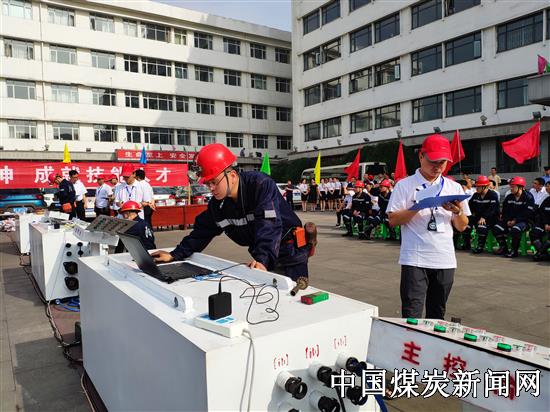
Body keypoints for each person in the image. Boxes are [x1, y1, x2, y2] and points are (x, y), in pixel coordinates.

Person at [151, 143, 316, 281]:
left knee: (292, 302)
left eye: (214, 182)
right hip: (263, 258)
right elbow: (201, 233)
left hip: (290, 254)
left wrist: (262, 260)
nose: (211, 188)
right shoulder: (218, 205)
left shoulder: (259, 185)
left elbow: (269, 225)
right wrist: (174, 255)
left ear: (232, 175)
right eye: (207, 184)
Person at [387, 134, 470, 320]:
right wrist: (418, 206)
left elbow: (462, 226)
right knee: (412, 315)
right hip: (415, 259)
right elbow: (393, 220)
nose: (438, 166)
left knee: (437, 314)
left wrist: (457, 211)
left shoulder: (454, 187)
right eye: (433, 161)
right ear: (421, 156)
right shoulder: (404, 185)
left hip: (444, 259)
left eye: (443, 162)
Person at [492, 176, 535, 258]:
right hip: (510, 220)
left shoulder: (529, 197)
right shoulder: (509, 197)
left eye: (513, 187)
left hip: (524, 221)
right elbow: (505, 211)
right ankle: (503, 247)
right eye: (510, 186)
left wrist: (515, 220)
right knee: (496, 228)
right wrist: (507, 220)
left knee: (516, 229)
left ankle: (514, 251)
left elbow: (528, 213)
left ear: (520, 187)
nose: (511, 188)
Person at [465, 176, 500, 254]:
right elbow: (470, 207)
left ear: (485, 187)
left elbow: (492, 209)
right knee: (466, 225)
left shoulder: (493, 195)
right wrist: (467, 217)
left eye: (478, 187)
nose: (476, 188)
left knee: (482, 227)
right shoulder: (475, 195)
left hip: (491, 219)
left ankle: (480, 247)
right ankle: (467, 244)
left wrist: (484, 217)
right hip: (478, 218)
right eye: (476, 186)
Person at [531, 180, 550, 261]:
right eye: (546, 186)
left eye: (548, 186)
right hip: (545, 224)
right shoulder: (547, 199)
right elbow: (541, 212)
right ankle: (544, 254)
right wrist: (546, 223)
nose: (546, 188)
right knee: (534, 232)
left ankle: (539, 253)